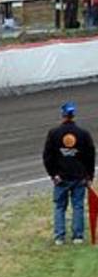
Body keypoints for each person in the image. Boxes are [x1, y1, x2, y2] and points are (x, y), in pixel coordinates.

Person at [42, 101, 95, 245]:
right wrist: (89, 176)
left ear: (63, 115)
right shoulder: (83, 134)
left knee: (59, 207)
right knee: (78, 206)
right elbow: (90, 156)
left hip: (61, 177)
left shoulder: (54, 133)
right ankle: (78, 236)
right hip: (79, 177)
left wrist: (53, 174)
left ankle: (59, 237)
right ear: (74, 115)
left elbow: (47, 156)